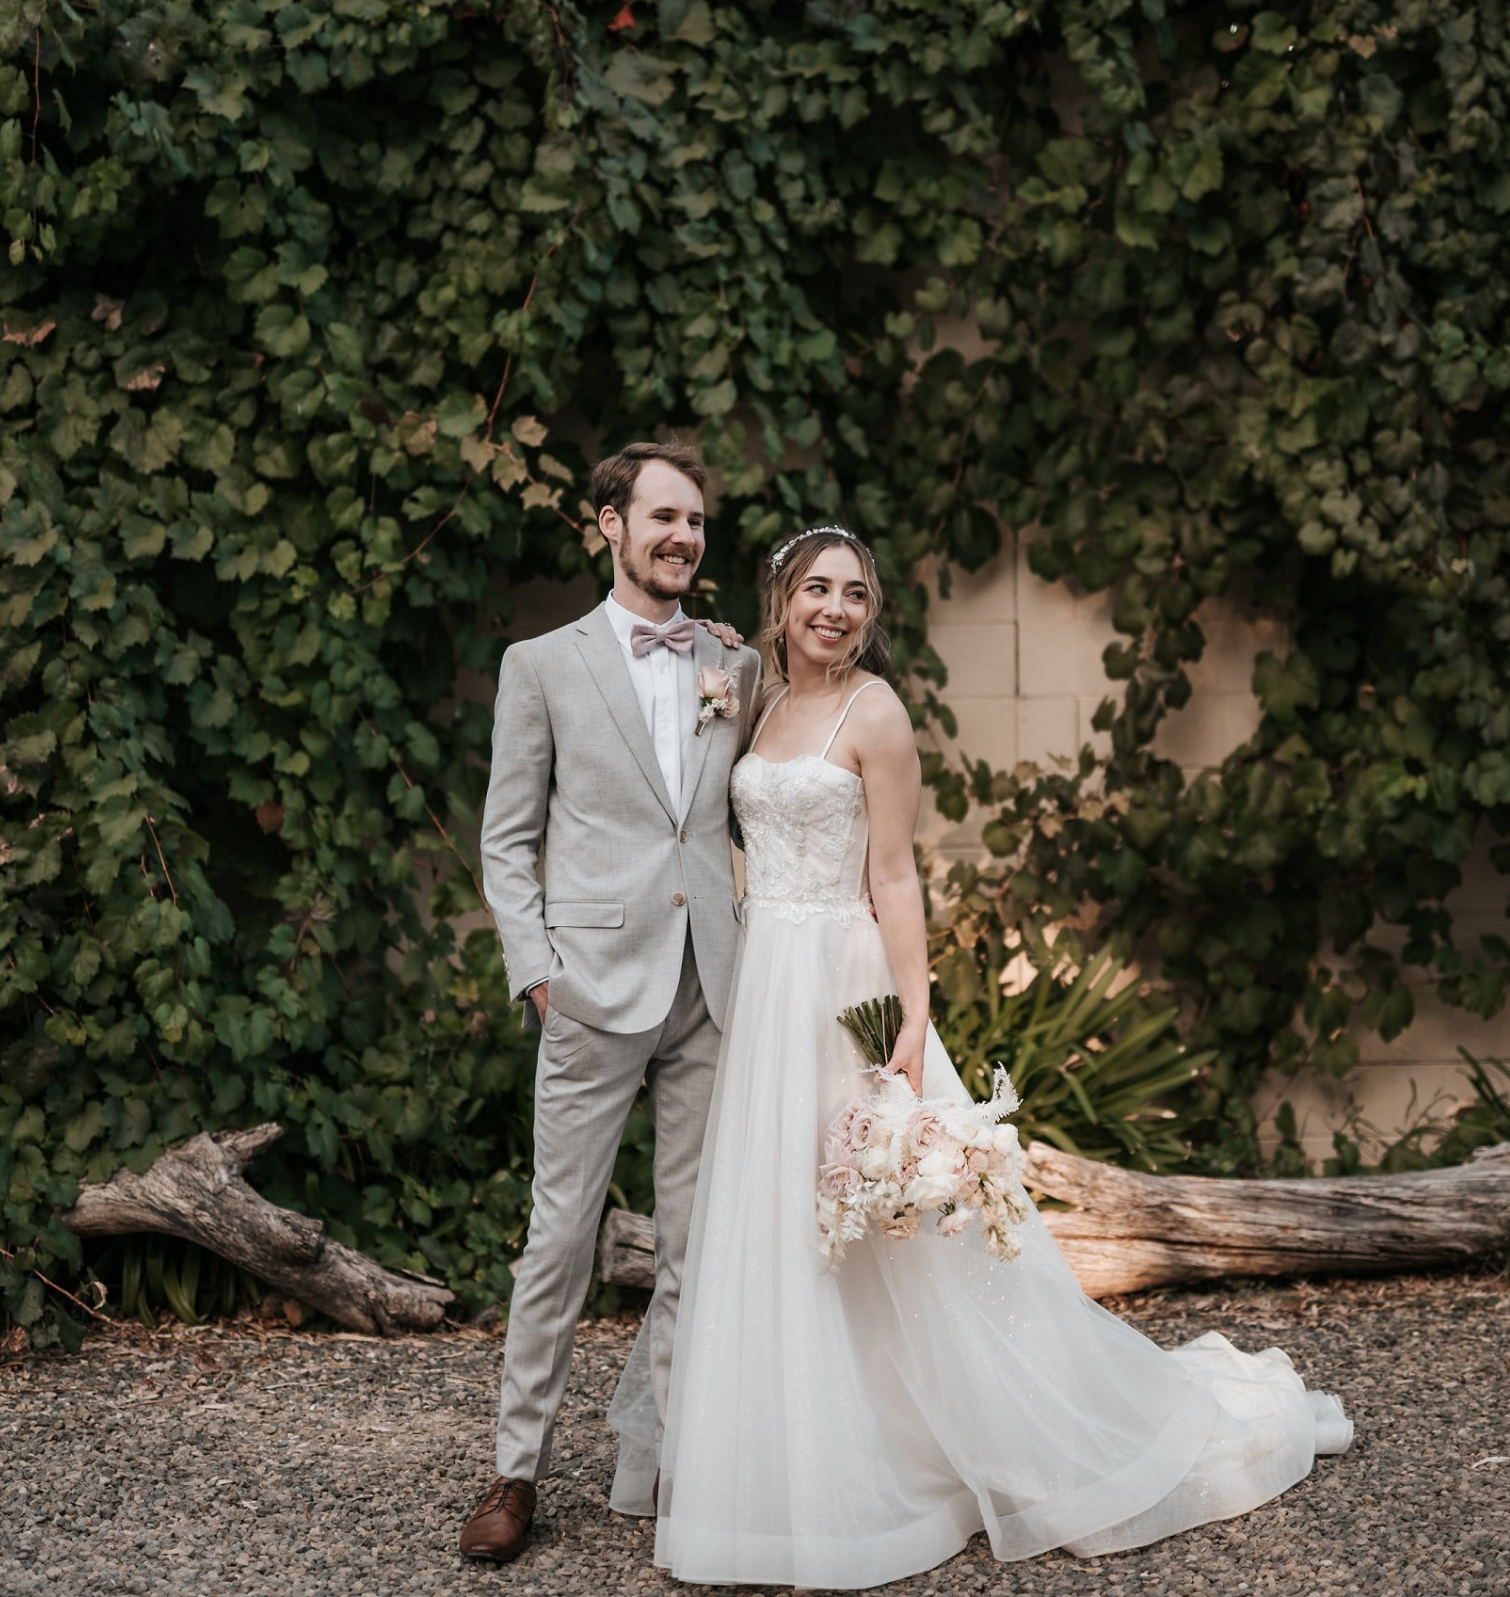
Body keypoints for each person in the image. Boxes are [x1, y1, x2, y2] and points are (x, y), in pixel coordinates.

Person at [632, 524, 1353, 1590]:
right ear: (782, 600)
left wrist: (913, 1024)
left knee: (886, 1224)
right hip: (762, 988)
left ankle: (965, 1447)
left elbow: (897, 876)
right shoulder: (756, 699)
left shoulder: (875, 712)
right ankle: (790, 1468)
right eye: (818, 590)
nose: (837, 609)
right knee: (785, 1220)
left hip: (843, 983)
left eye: (857, 596)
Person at [462, 441, 762, 1563]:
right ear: (609, 525)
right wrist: (536, 970)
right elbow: (507, 838)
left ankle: (678, 1471)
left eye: (696, 520)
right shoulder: (541, 665)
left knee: (692, 1243)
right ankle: (514, 1470)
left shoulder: (733, 663)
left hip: (711, 988)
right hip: (587, 990)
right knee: (559, 1238)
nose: (683, 535)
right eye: (663, 516)